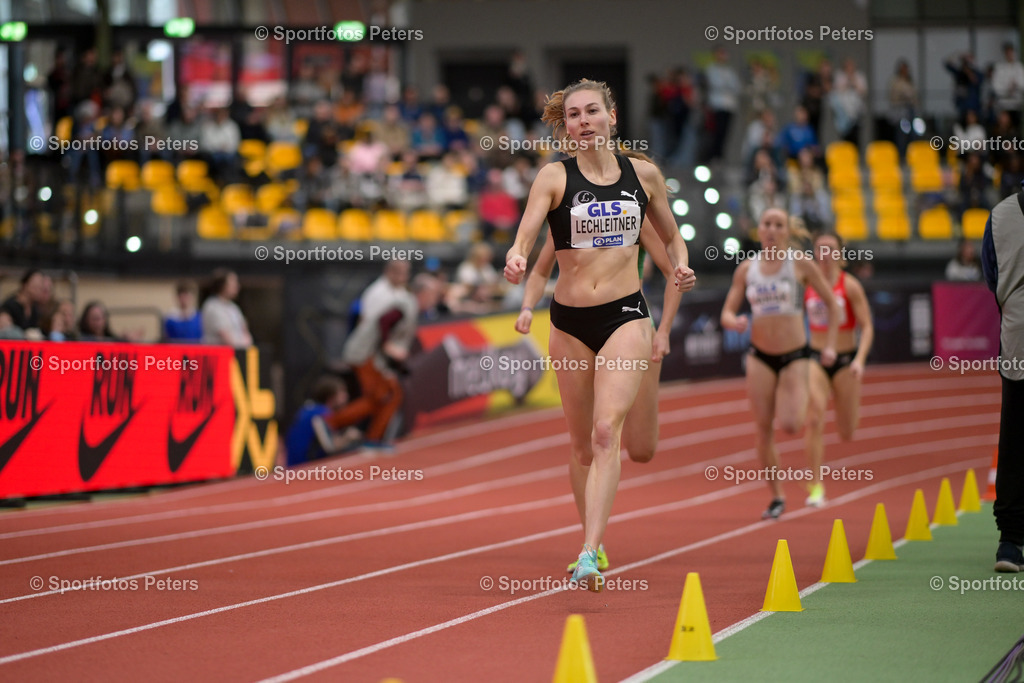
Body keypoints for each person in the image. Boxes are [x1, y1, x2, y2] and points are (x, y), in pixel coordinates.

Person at [503, 79, 695, 591]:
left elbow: (673, 237)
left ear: (612, 116)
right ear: (564, 126)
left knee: (607, 432)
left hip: (626, 315)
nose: (582, 121)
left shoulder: (644, 175)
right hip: (568, 322)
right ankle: (595, 539)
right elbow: (527, 234)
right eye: (573, 115)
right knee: (581, 445)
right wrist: (517, 257)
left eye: (592, 111)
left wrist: (681, 267)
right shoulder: (553, 177)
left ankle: (588, 552)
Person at [516, 216, 683, 574]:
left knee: (641, 449)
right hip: (575, 325)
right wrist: (528, 307)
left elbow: (673, 271)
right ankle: (593, 544)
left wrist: (664, 329)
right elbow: (541, 268)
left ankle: (610, 443)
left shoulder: (637, 212)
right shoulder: (570, 213)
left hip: (630, 324)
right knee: (592, 442)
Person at [720, 208, 839, 519]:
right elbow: (726, 312)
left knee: (790, 424)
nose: (771, 229)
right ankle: (776, 496)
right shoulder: (747, 269)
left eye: (778, 225)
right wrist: (734, 322)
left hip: (794, 355)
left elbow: (832, 304)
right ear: (759, 230)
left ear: (787, 231)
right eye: (766, 224)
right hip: (760, 355)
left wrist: (828, 344)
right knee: (762, 428)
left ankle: (811, 409)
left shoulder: (799, 263)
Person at [313, 270, 442, 452]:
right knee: (381, 395)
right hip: (364, 354)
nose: (435, 300)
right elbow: (384, 321)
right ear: (424, 293)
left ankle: (372, 438)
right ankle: (333, 423)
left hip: (372, 355)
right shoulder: (406, 303)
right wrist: (388, 346)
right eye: (433, 294)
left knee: (388, 395)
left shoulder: (409, 304)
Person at [803, 232, 874, 507]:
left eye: (830, 248)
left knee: (847, 430)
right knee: (813, 417)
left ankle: (847, 415)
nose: (824, 253)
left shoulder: (850, 286)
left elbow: (867, 326)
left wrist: (859, 360)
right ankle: (815, 486)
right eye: (819, 248)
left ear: (840, 254)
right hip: (816, 359)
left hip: (846, 361)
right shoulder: (807, 282)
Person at [982, 182, 1024, 572]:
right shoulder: (1000, 216)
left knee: (1013, 440)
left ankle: (1010, 541)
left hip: (1017, 336)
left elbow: (992, 278)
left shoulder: (998, 216)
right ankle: (1010, 538)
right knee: (1013, 441)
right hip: (1019, 341)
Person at [284, 376, 361, 466]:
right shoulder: (320, 414)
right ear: (331, 397)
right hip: (303, 468)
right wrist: (348, 437)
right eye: (342, 393)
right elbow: (330, 447)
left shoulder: (309, 409)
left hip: (296, 466)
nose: (346, 396)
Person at [201, 269, 253, 348]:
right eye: (233, 283)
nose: (237, 286)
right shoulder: (212, 306)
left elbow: (245, 331)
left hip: (239, 354)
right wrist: (242, 345)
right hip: (220, 355)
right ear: (223, 285)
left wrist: (246, 345)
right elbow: (225, 337)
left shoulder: (234, 308)